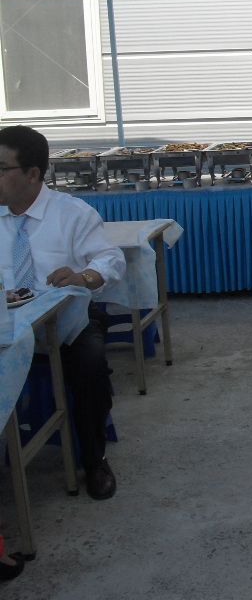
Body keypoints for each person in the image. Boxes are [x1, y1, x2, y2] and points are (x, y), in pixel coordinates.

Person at [0, 125, 126, 500]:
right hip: (8, 323)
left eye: (1, 168)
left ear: (32, 174)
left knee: (89, 364)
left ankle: (94, 458)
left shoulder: (71, 213)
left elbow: (110, 259)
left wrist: (83, 276)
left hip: (67, 319)